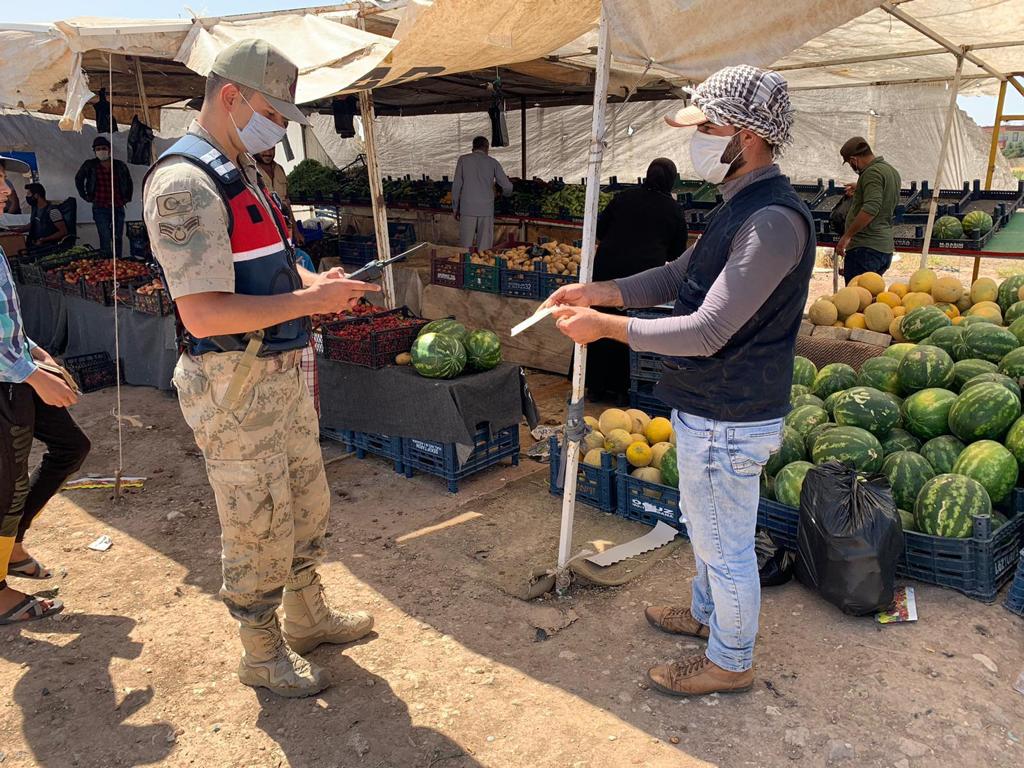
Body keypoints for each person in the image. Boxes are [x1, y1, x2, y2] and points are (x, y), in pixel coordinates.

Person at [546, 65, 814, 697]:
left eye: (707, 126)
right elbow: (673, 277)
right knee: (710, 527)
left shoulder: (773, 222)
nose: (696, 140)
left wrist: (608, 329)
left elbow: (709, 330)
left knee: (725, 544)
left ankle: (731, 660)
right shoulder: (740, 205)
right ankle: (703, 617)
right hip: (707, 405)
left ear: (746, 134)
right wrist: (599, 293)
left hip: (730, 411)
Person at [143, 39, 381, 698]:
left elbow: (270, 263)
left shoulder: (242, 169)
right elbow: (203, 315)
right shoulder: (184, 184)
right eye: (271, 113)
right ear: (231, 97)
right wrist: (308, 301)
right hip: (234, 383)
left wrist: (315, 282)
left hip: (277, 370)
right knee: (256, 520)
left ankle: (307, 618)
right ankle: (260, 650)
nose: (276, 127)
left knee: (305, 499)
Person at [1, 155, 91, 625]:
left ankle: (12, 546)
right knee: (4, 485)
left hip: (18, 371)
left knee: (71, 446)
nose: (5, 191)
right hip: (6, 382)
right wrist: (31, 373)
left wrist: (36, 353)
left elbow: (4, 324)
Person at [586, 158, 689, 402]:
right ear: (671, 180)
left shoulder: (624, 197)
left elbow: (599, 231)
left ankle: (595, 387)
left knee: (599, 322)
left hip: (607, 270)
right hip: (641, 278)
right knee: (628, 327)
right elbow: (677, 252)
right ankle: (623, 389)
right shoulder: (673, 210)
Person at [836, 137, 901, 283]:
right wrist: (860, 189)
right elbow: (884, 197)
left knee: (857, 301)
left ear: (854, 160)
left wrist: (847, 236)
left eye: (850, 163)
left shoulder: (871, 173)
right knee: (870, 301)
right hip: (883, 247)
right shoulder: (890, 171)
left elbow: (871, 208)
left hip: (865, 249)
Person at [75, 135, 133, 257]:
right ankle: (106, 261)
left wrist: (127, 198)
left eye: (103, 148)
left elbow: (129, 181)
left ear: (109, 150)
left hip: (117, 205)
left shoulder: (119, 165)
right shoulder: (90, 165)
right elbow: (78, 179)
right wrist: (85, 196)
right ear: (95, 151)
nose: (101, 151)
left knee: (117, 236)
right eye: (98, 149)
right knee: (105, 236)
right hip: (100, 205)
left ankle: (118, 260)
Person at [451, 136, 512, 250]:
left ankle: (466, 266)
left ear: (473, 147)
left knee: (465, 247)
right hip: (486, 209)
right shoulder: (493, 162)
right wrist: (505, 195)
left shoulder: (463, 160)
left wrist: (455, 208)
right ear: (486, 147)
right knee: (484, 249)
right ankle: (483, 266)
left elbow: (456, 185)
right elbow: (507, 186)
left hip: (467, 208)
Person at [255, 148, 305, 247]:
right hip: (265, 230)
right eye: (264, 149)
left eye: (272, 149)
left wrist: (296, 230)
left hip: (285, 228)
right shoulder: (250, 169)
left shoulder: (280, 169)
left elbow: (287, 203)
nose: (268, 153)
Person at [24, 183, 69, 250]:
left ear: (36, 195)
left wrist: (44, 239)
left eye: (28, 194)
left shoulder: (53, 211)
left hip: (49, 248)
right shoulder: (35, 208)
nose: (27, 197)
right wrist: (18, 230)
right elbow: (35, 223)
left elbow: (63, 231)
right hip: (35, 246)